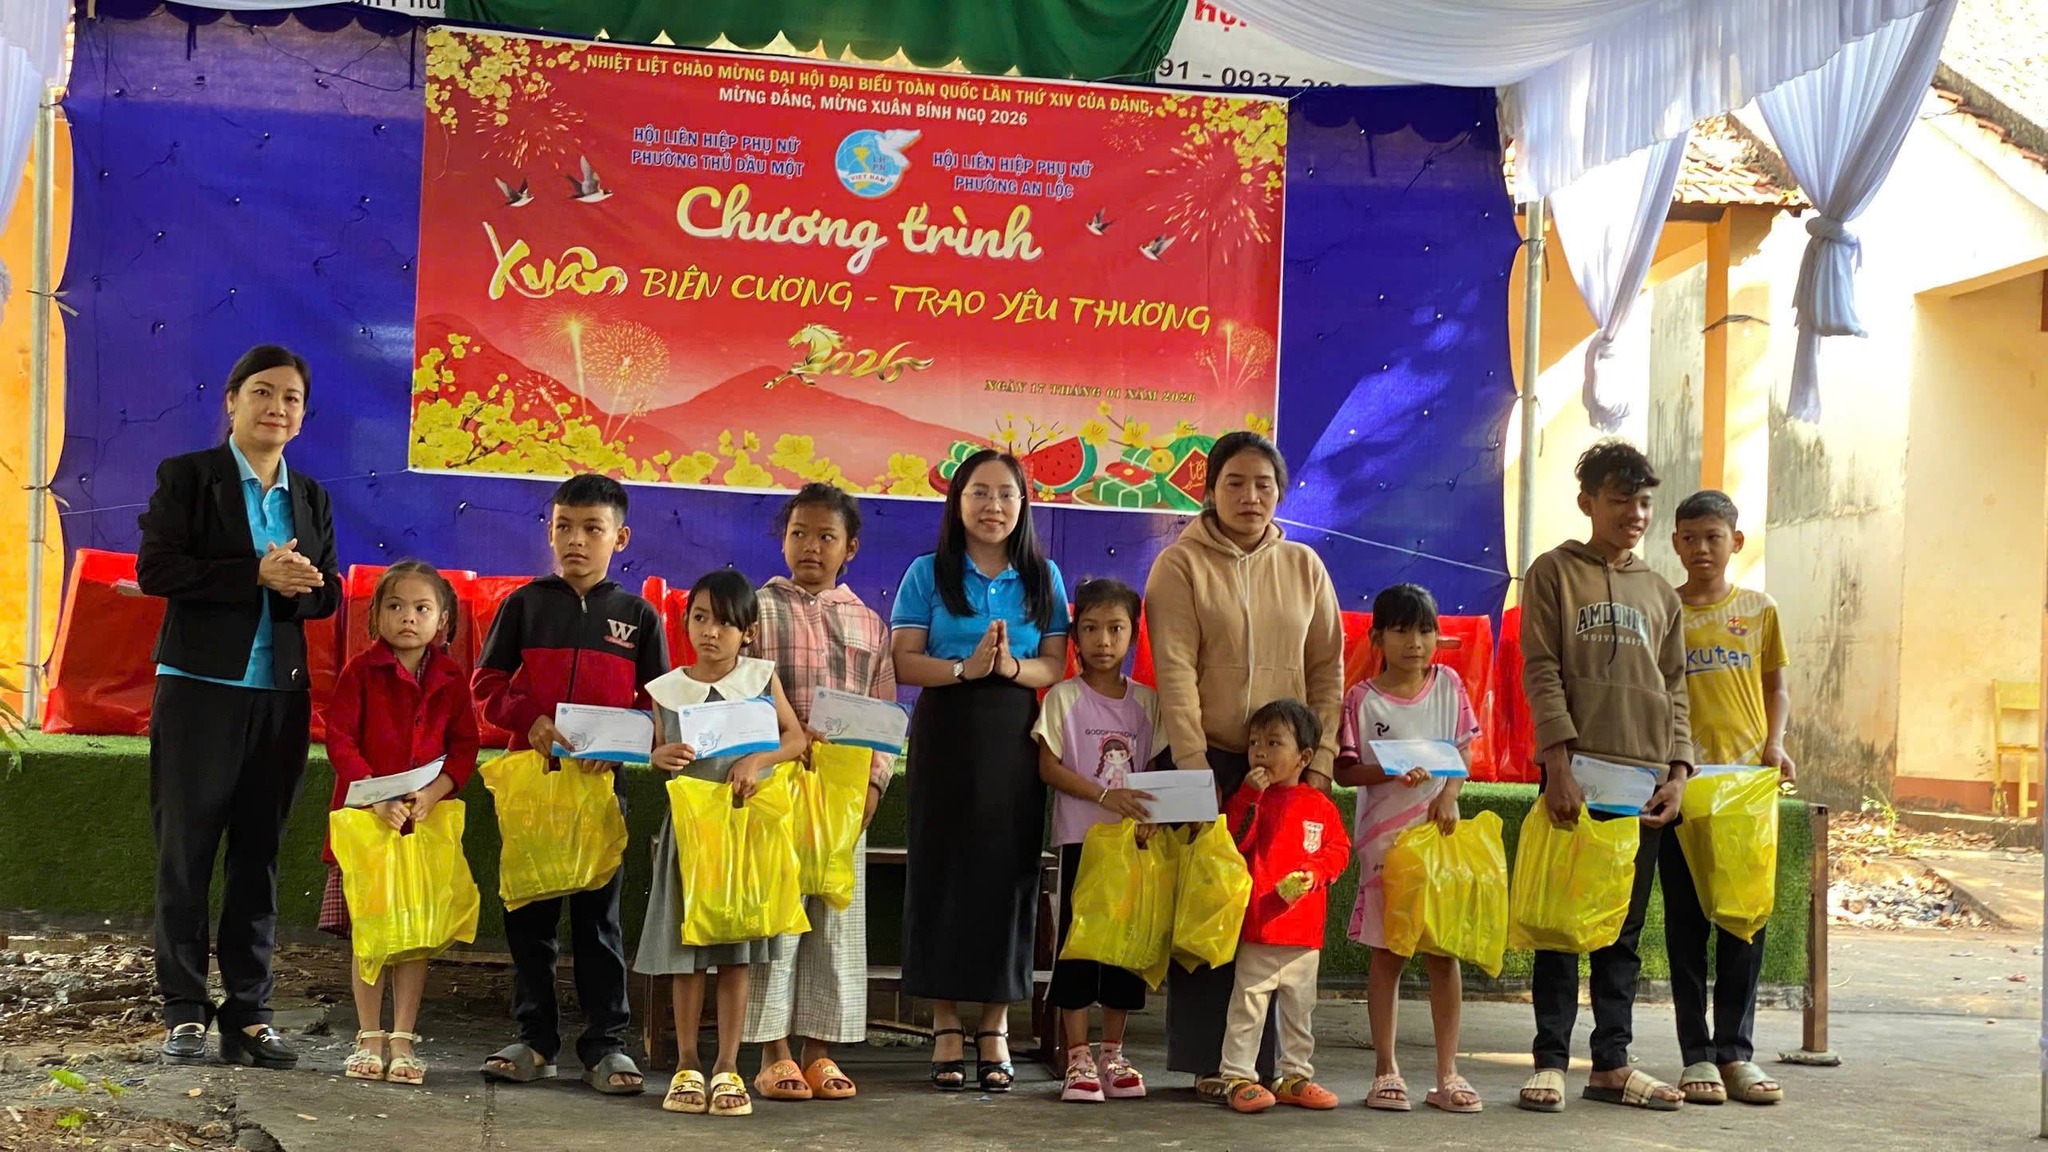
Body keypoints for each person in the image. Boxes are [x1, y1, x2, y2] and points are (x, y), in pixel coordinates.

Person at [138, 344, 340, 1069]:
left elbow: (328, 594)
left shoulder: (309, 496)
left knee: (259, 857)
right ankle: (185, 1011)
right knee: (186, 854)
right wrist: (254, 573)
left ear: (303, 416)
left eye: (291, 398)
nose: (276, 408)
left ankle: (249, 1012)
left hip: (280, 695)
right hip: (199, 689)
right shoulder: (189, 477)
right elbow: (157, 569)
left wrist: (301, 583)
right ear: (231, 401)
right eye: (262, 392)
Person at [1143, 430, 1344, 1100]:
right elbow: (1174, 671)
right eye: (1235, 482)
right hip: (1215, 763)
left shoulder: (1305, 567)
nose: (1250, 496)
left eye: (1264, 484)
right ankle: (1212, 1065)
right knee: (1212, 911)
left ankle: (1278, 1068)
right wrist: (1195, 767)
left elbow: (1327, 670)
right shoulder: (1179, 565)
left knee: (1276, 912)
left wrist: (1317, 764)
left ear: (1280, 493)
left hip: (1291, 772)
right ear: (1210, 491)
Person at [473, 474, 668, 1095]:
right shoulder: (524, 605)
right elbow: (486, 685)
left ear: (620, 538)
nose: (576, 540)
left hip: (600, 792)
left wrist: (628, 743)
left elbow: (657, 704)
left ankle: (606, 1045)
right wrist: (528, 721)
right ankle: (535, 1041)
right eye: (564, 527)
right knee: (530, 917)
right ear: (550, 531)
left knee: (598, 922)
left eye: (592, 528)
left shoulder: (638, 616)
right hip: (532, 787)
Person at [1517, 440, 1693, 1114]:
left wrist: (1678, 772)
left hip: (1642, 783)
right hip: (1575, 777)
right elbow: (1541, 670)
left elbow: (1676, 689)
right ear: (1588, 502)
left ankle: (1612, 1064)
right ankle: (1550, 1062)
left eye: (1644, 502)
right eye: (1622, 500)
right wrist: (1557, 764)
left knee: (1622, 929)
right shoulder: (1553, 573)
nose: (1636, 514)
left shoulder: (1660, 593)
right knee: (1561, 925)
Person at [890, 449, 1070, 1093]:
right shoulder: (927, 572)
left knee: (1006, 872)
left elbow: (1055, 663)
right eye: (979, 493)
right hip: (946, 727)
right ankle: (944, 1021)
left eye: (1006, 495)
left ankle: (995, 1023)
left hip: (1014, 733)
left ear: (1023, 505)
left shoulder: (1043, 575)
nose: (993, 506)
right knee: (941, 869)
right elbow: (904, 661)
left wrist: (1010, 668)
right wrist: (965, 668)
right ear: (957, 501)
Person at [743, 484, 898, 1103]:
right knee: (775, 919)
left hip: (841, 797)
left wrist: (874, 785)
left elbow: (883, 712)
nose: (811, 546)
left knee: (834, 921)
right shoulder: (755, 611)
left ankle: (819, 1051)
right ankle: (773, 1053)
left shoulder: (869, 624)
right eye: (799, 534)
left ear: (849, 548)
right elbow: (737, 689)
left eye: (826, 536)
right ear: (783, 541)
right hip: (775, 786)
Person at [640, 571, 811, 1119]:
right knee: (687, 955)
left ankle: (728, 1065)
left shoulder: (761, 678)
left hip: (745, 836)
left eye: (724, 622)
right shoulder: (667, 690)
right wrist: (657, 757)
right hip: (692, 835)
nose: (710, 632)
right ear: (685, 622)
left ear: (748, 632)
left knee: (738, 953)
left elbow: (796, 738)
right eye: (700, 618)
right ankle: (688, 1063)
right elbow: (659, 751)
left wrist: (756, 761)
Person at [320, 560, 480, 1086]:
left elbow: (465, 747)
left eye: (421, 608)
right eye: (395, 606)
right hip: (368, 825)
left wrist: (434, 793)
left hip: (422, 827)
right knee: (371, 935)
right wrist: (376, 796)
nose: (408, 618)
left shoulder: (452, 678)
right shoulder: (359, 672)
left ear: (443, 621)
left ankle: (403, 1038)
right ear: (376, 617)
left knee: (413, 936)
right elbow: (340, 739)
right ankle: (368, 1035)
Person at [1333, 583, 1483, 1115]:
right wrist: (1389, 770)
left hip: (1437, 842)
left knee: (1443, 954)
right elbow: (1345, 771)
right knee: (1389, 953)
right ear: (1377, 637)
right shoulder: (1361, 699)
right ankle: (1385, 1071)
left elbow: (1462, 753)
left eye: (1424, 630)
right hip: (1384, 845)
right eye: (1400, 631)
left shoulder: (1449, 686)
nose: (1414, 642)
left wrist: (1448, 795)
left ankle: (1448, 1073)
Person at [1665, 490, 1791, 1106]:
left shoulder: (1760, 610)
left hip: (1744, 788)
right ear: (1675, 544)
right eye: (1690, 538)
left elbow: (1777, 687)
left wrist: (1776, 743)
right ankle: (1697, 1056)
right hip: (1682, 784)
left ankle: (1736, 1053)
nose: (1702, 549)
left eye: (1713, 537)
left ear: (1736, 541)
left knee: (1744, 920)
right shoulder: (1665, 609)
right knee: (1686, 922)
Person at [1033, 578, 1162, 1104]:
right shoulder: (1063, 698)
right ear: (1074, 636)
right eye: (1090, 628)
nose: (1103, 641)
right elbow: (1048, 767)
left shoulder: (1148, 704)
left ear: (1134, 634)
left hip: (1131, 849)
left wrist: (1153, 816)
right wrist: (1104, 796)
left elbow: (1158, 769)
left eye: (1115, 628)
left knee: (1125, 948)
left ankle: (1113, 1053)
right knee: (1079, 944)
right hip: (1080, 843)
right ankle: (1078, 1057)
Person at [1216, 699, 1351, 1115]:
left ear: (1304, 758)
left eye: (1273, 743)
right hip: (1259, 926)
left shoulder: (1320, 806)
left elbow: (1339, 849)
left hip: (1304, 933)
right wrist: (1249, 796)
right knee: (1247, 1007)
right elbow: (1234, 841)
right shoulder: (1248, 798)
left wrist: (1316, 872)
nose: (1260, 752)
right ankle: (1237, 1077)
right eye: (1254, 742)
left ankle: (1294, 1075)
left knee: (1299, 1011)